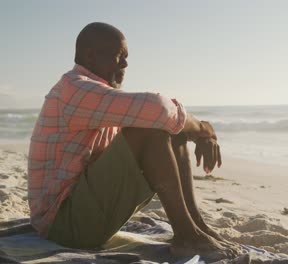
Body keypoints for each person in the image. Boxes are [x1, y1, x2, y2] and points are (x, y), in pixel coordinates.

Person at [28, 22, 240, 259]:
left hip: (81, 214)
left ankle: (195, 226)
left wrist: (195, 132)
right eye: (119, 56)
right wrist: (203, 129)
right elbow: (158, 109)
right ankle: (187, 235)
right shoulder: (75, 89)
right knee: (150, 129)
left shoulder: (97, 96)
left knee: (169, 130)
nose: (126, 64)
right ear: (90, 55)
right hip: (61, 224)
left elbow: (165, 118)